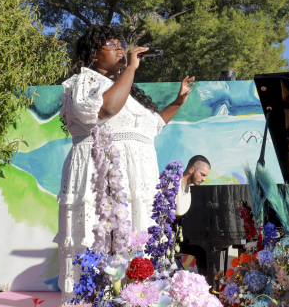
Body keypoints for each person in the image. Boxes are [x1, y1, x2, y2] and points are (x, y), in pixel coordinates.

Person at [55, 25, 195, 303]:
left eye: (123, 44)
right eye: (112, 44)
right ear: (94, 55)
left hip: (134, 183)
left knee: (134, 248)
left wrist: (179, 101)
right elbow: (105, 110)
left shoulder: (125, 89)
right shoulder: (84, 82)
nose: (121, 48)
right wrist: (130, 68)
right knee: (101, 247)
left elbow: (152, 125)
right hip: (103, 177)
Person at [174, 155, 211, 274]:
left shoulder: (189, 189)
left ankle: (206, 288)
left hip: (180, 235)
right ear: (191, 169)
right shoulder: (173, 184)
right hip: (168, 237)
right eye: (202, 174)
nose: (204, 179)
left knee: (204, 250)